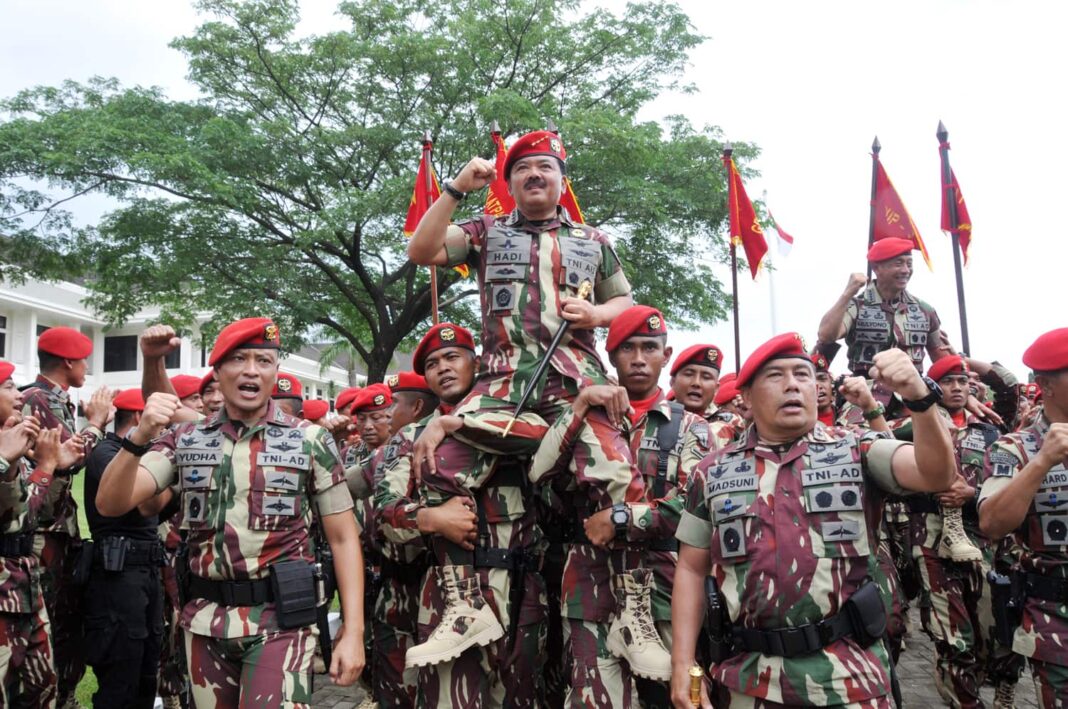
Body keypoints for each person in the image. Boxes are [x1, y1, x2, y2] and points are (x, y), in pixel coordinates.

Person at [405, 129, 648, 670]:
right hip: (501, 391)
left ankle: (634, 613)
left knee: (619, 473)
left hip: (576, 389)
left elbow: (625, 302)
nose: (535, 175)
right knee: (436, 459)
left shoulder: (593, 240)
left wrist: (598, 315)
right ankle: (465, 606)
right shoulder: (486, 231)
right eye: (523, 168)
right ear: (510, 181)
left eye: (545, 167)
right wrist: (455, 188)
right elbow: (421, 250)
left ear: (562, 180)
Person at [671, 334, 955, 708]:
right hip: (750, 680)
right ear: (746, 399)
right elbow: (691, 570)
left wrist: (920, 400)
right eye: (775, 376)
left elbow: (935, 475)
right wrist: (682, 664)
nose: (793, 384)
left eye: (803, 375)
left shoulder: (858, 450)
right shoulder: (712, 472)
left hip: (849, 678)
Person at [96, 318, 365, 707]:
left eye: (264, 360)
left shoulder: (311, 440)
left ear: (276, 371)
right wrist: (139, 437)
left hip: (280, 620)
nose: (251, 370)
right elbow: (111, 503)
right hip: (205, 621)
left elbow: (343, 538)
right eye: (238, 359)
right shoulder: (186, 439)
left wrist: (353, 631)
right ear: (218, 372)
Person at [532, 305, 711, 706]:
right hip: (590, 586)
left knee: (667, 697)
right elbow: (538, 476)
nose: (639, 358)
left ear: (666, 356)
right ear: (610, 358)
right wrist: (578, 407)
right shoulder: (586, 418)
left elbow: (696, 504)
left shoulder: (691, 429)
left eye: (650, 348)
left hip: (663, 591)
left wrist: (625, 516)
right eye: (627, 348)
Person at [377, 324, 548, 707]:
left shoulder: (511, 416)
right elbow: (381, 514)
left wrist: (458, 425)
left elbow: (544, 436)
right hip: (446, 593)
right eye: (433, 364)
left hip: (517, 590)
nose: (443, 368)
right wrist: (430, 519)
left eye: (453, 357)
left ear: (477, 363)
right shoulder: (410, 438)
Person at [900, 355, 1022, 708]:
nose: (957, 387)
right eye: (949, 381)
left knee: (991, 633)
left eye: (963, 381)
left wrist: (973, 363)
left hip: (983, 541)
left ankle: (993, 681)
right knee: (953, 639)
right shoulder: (914, 425)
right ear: (934, 388)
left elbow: (1010, 386)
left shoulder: (990, 427)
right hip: (932, 540)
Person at [20, 326, 114, 707]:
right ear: (69, 362)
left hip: (60, 528)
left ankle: (65, 694)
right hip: (43, 529)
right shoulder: (38, 399)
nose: (87, 368)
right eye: (84, 360)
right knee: (50, 621)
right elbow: (69, 459)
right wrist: (96, 424)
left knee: (67, 619)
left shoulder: (58, 401)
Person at [978, 328, 1068, 708]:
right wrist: (1042, 462)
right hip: (1058, 619)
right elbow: (993, 523)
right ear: (1045, 385)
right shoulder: (1015, 448)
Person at [0, 359, 84, 707]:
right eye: (7, 387)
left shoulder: (15, 440)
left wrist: (50, 466)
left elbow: (28, 512)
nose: (17, 394)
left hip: (23, 586)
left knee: (41, 689)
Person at [82, 388, 168, 708]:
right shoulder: (108, 454)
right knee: (121, 675)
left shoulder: (142, 456)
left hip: (145, 574)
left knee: (147, 671)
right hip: (117, 579)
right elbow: (137, 502)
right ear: (138, 417)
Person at [817, 238, 951, 378]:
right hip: (865, 390)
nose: (906, 270)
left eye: (909, 264)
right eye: (898, 264)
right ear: (876, 268)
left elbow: (944, 361)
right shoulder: (856, 306)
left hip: (912, 393)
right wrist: (848, 293)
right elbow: (826, 336)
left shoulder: (924, 310)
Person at [669, 344, 724, 422]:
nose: (696, 383)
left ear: (716, 388)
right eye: (688, 374)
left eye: (706, 377)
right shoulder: (652, 418)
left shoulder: (730, 428)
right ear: (672, 382)